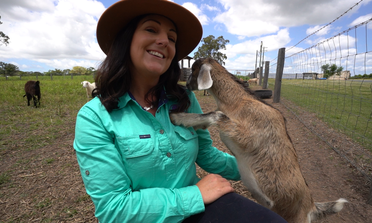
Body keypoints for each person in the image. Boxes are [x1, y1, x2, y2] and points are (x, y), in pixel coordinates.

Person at [73, 0, 287, 222]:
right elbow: (113, 208)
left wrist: (261, 168)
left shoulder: (184, 100)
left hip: (196, 211)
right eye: (151, 29)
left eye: (172, 38)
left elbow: (205, 153)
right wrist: (194, 195)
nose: (164, 41)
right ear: (126, 40)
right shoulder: (94, 117)